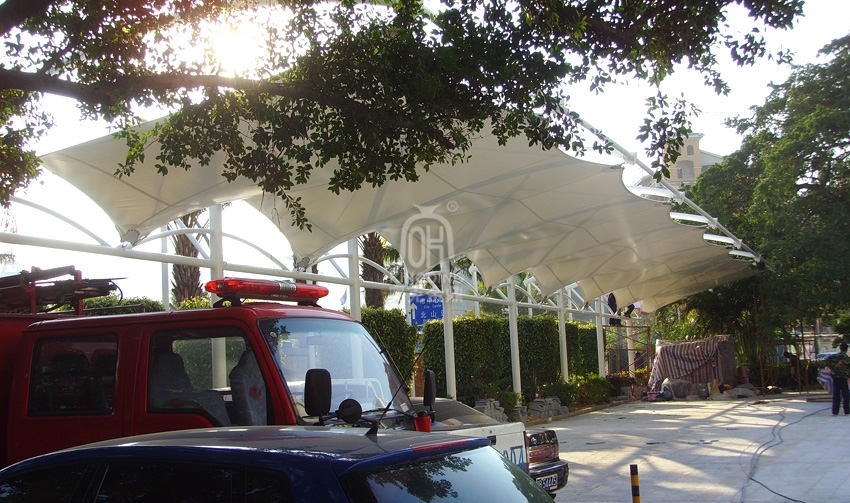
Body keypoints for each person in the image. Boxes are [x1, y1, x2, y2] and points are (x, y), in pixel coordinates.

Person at [823, 343, 850, 416]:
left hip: (836, 378)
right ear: (846, 349)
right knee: (846, 395)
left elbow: (824, 364)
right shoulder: (847, 358)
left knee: (836, 395)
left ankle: (835, 411)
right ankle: (847, 411)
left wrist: (833, 368)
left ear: (840, 348)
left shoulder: (833, 357)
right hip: (844, 378)